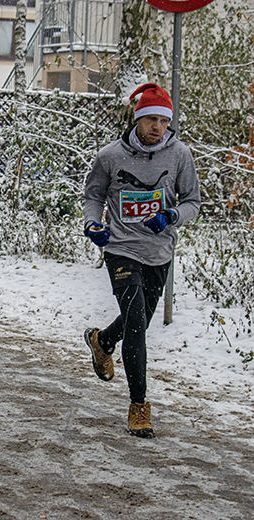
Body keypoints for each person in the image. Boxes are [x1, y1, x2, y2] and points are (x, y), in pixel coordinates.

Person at [83, 83, 201, 438]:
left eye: (163, 121)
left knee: (140, 321)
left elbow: (193, 203)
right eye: (150, 119)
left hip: (159, 252)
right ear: (137, 119)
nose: (157, 128)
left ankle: (102, 340)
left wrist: (171, 216)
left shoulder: (180, 155)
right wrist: (93, 223)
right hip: (121, 248)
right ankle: (139, 406)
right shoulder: (110, 156)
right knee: (135, 319)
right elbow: (93, 195)